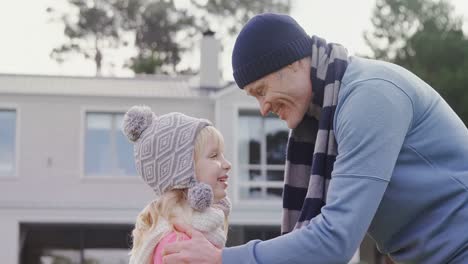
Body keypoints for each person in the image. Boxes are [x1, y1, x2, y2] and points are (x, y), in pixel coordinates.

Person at [162, 13, 468, 264]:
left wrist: (221, 259)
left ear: (294, 62)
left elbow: (335, 240)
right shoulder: (333, 108)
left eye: (261, 90)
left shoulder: (369, 98)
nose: (264, 108)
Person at [121, 106, 232, 264]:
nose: (227, 164)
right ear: (184, 171)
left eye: (223, 155)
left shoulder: (195, 237)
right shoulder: (179, 245)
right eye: (214, 155)